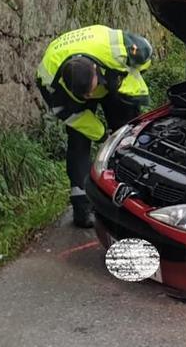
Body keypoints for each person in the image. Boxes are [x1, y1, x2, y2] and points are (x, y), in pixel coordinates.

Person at [36, 25, 152, 228]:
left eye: (91, 90)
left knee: (126, 139)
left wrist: (127, 80)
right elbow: (73, 116)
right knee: (78, 144)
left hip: (112, 80)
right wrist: (103, 135)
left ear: (95, 72)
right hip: (73, 98)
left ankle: (129, 197)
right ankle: (82, 208)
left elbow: (145, 53)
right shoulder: (50, 82)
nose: (90, 96)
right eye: (85, 95)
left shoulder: (117, 49)